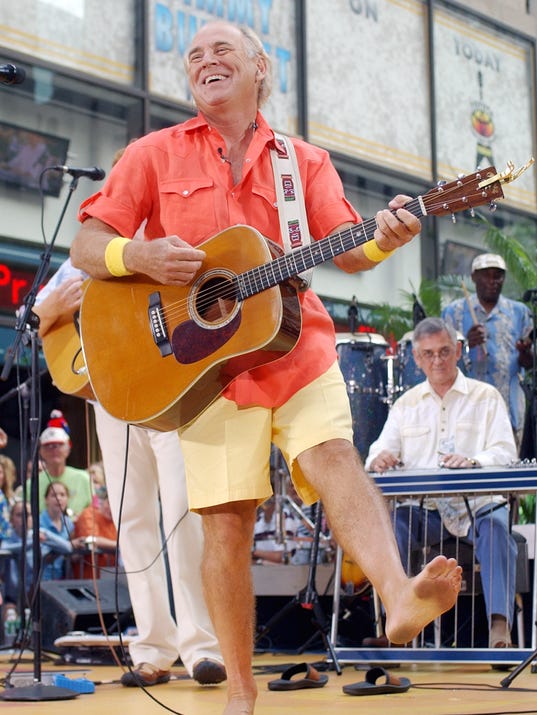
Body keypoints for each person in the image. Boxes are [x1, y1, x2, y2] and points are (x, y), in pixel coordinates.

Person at [71, 21, 461, 715]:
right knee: (225, 521)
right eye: (193, 56)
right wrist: (142, 257)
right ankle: (241, 691)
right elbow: (87, 242)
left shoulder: (302, 162)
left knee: (335, 453)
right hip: (203, 367)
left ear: (260, 70)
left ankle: (399, 594)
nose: (204, 61)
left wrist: (385, 238)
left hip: (294, 342)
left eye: (221, 50)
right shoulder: (151, 153)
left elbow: (347, 246)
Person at [32, 257, 226, 686]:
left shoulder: (167, 229)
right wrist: (56, 309)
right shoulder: (94, 247)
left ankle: (203, 648)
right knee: (132, 520)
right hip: (113, 397)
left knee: (182, 514)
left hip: (172, 388)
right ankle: (153, 649)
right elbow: (39, 312)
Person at [366, 317, 518, 648]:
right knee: (393, 528)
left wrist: (475, 461)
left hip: (479, 504)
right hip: (428, 511)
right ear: (417, 358)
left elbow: (506, 451)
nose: (438, 360)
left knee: (496, 528)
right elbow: (379, 449)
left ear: (459, 351)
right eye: (429, 354)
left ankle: (499, 629)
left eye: (445, 351)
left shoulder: (486, 396)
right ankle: (396, 622)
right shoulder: (406, 405)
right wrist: (378, 459)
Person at [442, 253, 533, 444]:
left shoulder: (520, 312)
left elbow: (530, 364)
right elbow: (440, 361)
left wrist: (526, 352)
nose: (492, 281)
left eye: (497, 275)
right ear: (474, 277)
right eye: (486, 275)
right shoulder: (453, 312)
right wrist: (466, 344)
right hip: (465, 412)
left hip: (510, 410)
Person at [30, 424, 92, 517]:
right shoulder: (32, 483)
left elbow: (95, 510)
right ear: (40, 451)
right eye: (48, 446)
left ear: (68, 449)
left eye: (59, 445)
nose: (54, 450)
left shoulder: (84, 478)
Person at [72, 485, 118, 579]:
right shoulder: (89, 514)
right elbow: (91, 539)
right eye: (109, 503)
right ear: (103, 501)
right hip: (86, 578)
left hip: (110, 579)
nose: (111, 509)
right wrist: (120, 546)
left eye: (115, 506)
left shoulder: (118, 522)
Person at [39, 481, 74, 580]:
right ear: (46, 499)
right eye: (54, 495)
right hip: (41, 579)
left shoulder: (69, 523)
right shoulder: (38, 522)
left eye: (62, 495)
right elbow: (42, 555)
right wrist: (67, 547)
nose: (59, 498)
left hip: (61, 578)